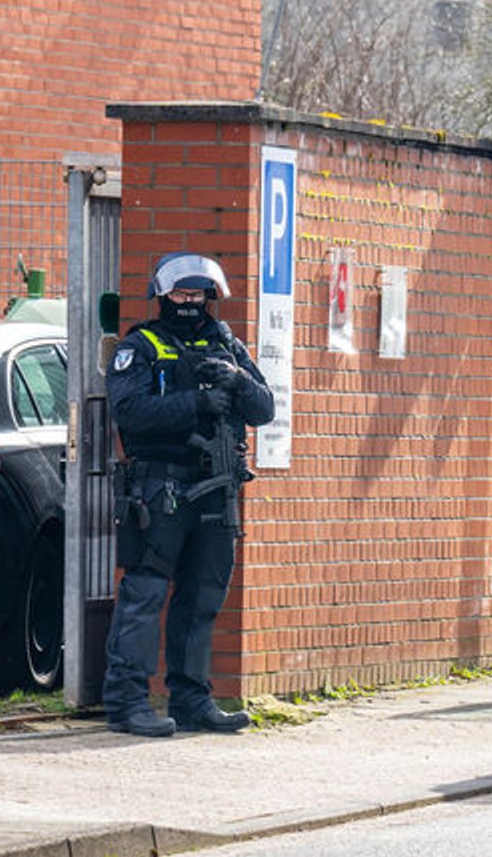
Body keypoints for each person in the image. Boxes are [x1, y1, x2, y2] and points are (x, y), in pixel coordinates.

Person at [103, 251, 275, 737]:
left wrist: (238, 379)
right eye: (179, 294)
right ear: (162, 296)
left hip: (216, 489)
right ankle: (127, 703)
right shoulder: (141, 346)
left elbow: (265, 410)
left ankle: (193, 699)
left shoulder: (225, 343)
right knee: (145, 594)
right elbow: (130, 411)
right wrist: (195, 401)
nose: (188, 303)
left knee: (202, 597)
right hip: (160, 487)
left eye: (197, 295)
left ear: (209, 297)